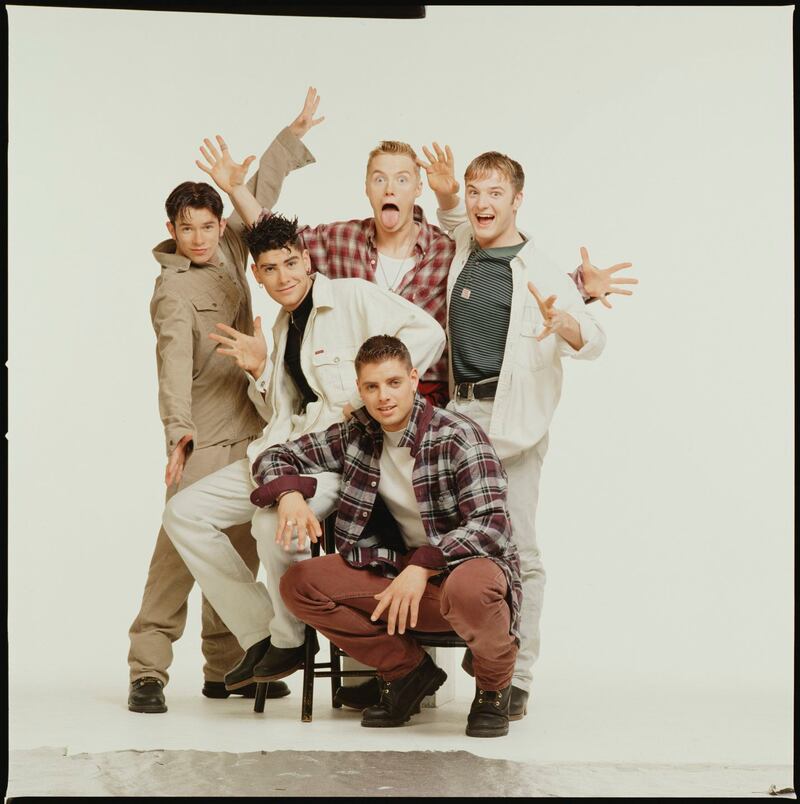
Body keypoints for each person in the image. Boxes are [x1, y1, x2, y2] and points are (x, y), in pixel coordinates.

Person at [162, 213, 445, 692]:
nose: (283, 278)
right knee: (183, 513)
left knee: (270, 525)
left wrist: (367, 400)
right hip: (287, 451)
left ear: (308, 259)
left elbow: (430, 334)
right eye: (271, 269)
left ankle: (291, 639)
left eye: (290, 263)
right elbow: (283, 411)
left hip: (340, 459)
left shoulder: (351, 297)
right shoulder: (283, 325)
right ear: (257, 274)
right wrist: (261, 371)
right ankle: (263, 632)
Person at [126, 90, 321, 714]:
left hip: (253, 427)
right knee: (177, 555)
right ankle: (148, 668)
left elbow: (258, 203)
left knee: (237, 551)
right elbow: (170, 367)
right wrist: (177, 434)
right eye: (187, 228)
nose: (200, 238)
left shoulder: (233, 250)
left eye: (208, 226)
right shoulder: (172, 289)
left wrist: (289, 137)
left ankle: (225, 667)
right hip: (204, 436)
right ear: (172, 230)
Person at [253, 335, 520, 737]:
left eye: (394, 383)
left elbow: (491, 524)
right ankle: (407, 671)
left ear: (413, 379)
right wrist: (289, 493)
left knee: (468, 588)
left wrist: (424, 565)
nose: (384, 397)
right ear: (359, 389)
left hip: (465, 572)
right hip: (401, 579)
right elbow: (273, 455)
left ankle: (493, 688)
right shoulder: (357, 434)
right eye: (372, 386)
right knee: (299, 584)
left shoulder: (458, 435)